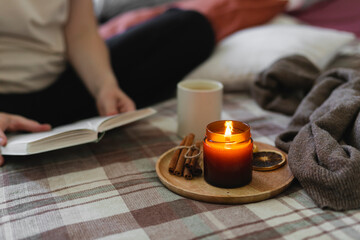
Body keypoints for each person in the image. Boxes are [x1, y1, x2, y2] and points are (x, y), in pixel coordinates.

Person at [0, 0, 216, 165]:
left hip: (58, 86)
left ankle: (99, 109)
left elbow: (82, 33)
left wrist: (104, 85)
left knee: (190, 28)